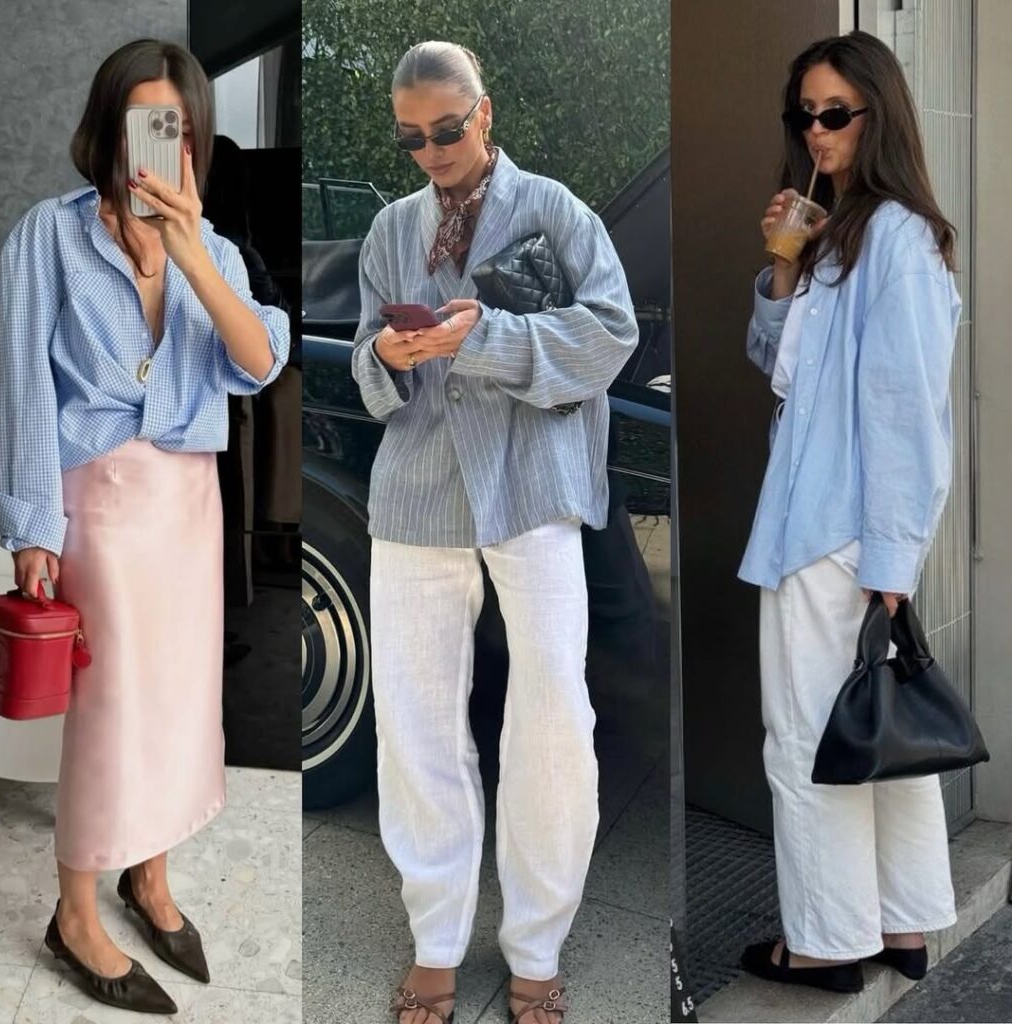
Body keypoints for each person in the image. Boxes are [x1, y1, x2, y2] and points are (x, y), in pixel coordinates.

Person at [0, 39, 289, 1014]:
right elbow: (26, 389)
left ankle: (147, 875)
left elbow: (257, 362)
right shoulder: (48, 235)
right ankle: (74, 909)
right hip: (101, 511)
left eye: (175, 126)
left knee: (176, 700)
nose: (153, 145)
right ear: (108, 126)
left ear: (194, 138)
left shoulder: (223, 253)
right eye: (139, 122)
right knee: (112, 713)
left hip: (186, 504)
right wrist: (30, 523)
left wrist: (195, 247)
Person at [351, 40, 638, 1024]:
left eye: (445, 127)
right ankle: (434, 939)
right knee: (416, 720)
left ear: (483, 112)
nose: (430, 149)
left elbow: (610, 332)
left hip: (532, 483)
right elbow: (365, 367)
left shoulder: (554, 212)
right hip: (420, 488)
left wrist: (490, 338)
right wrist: (387, 351)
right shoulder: (392, 228)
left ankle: (536, 943)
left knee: (555, 717)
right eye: (410, 135)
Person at [737, 31, 961, 993]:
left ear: (878, 115)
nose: (816, 131)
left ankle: (826, 942)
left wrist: (893, 563)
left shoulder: (899, 242)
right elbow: (774, 364)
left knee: (805, 739)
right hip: (832, 525)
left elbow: (911, 413)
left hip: (834, 535)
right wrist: (786, 266)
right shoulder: (841, 231)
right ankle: (903, 927)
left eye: (834, 113)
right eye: (805, 114)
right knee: (875, 731)